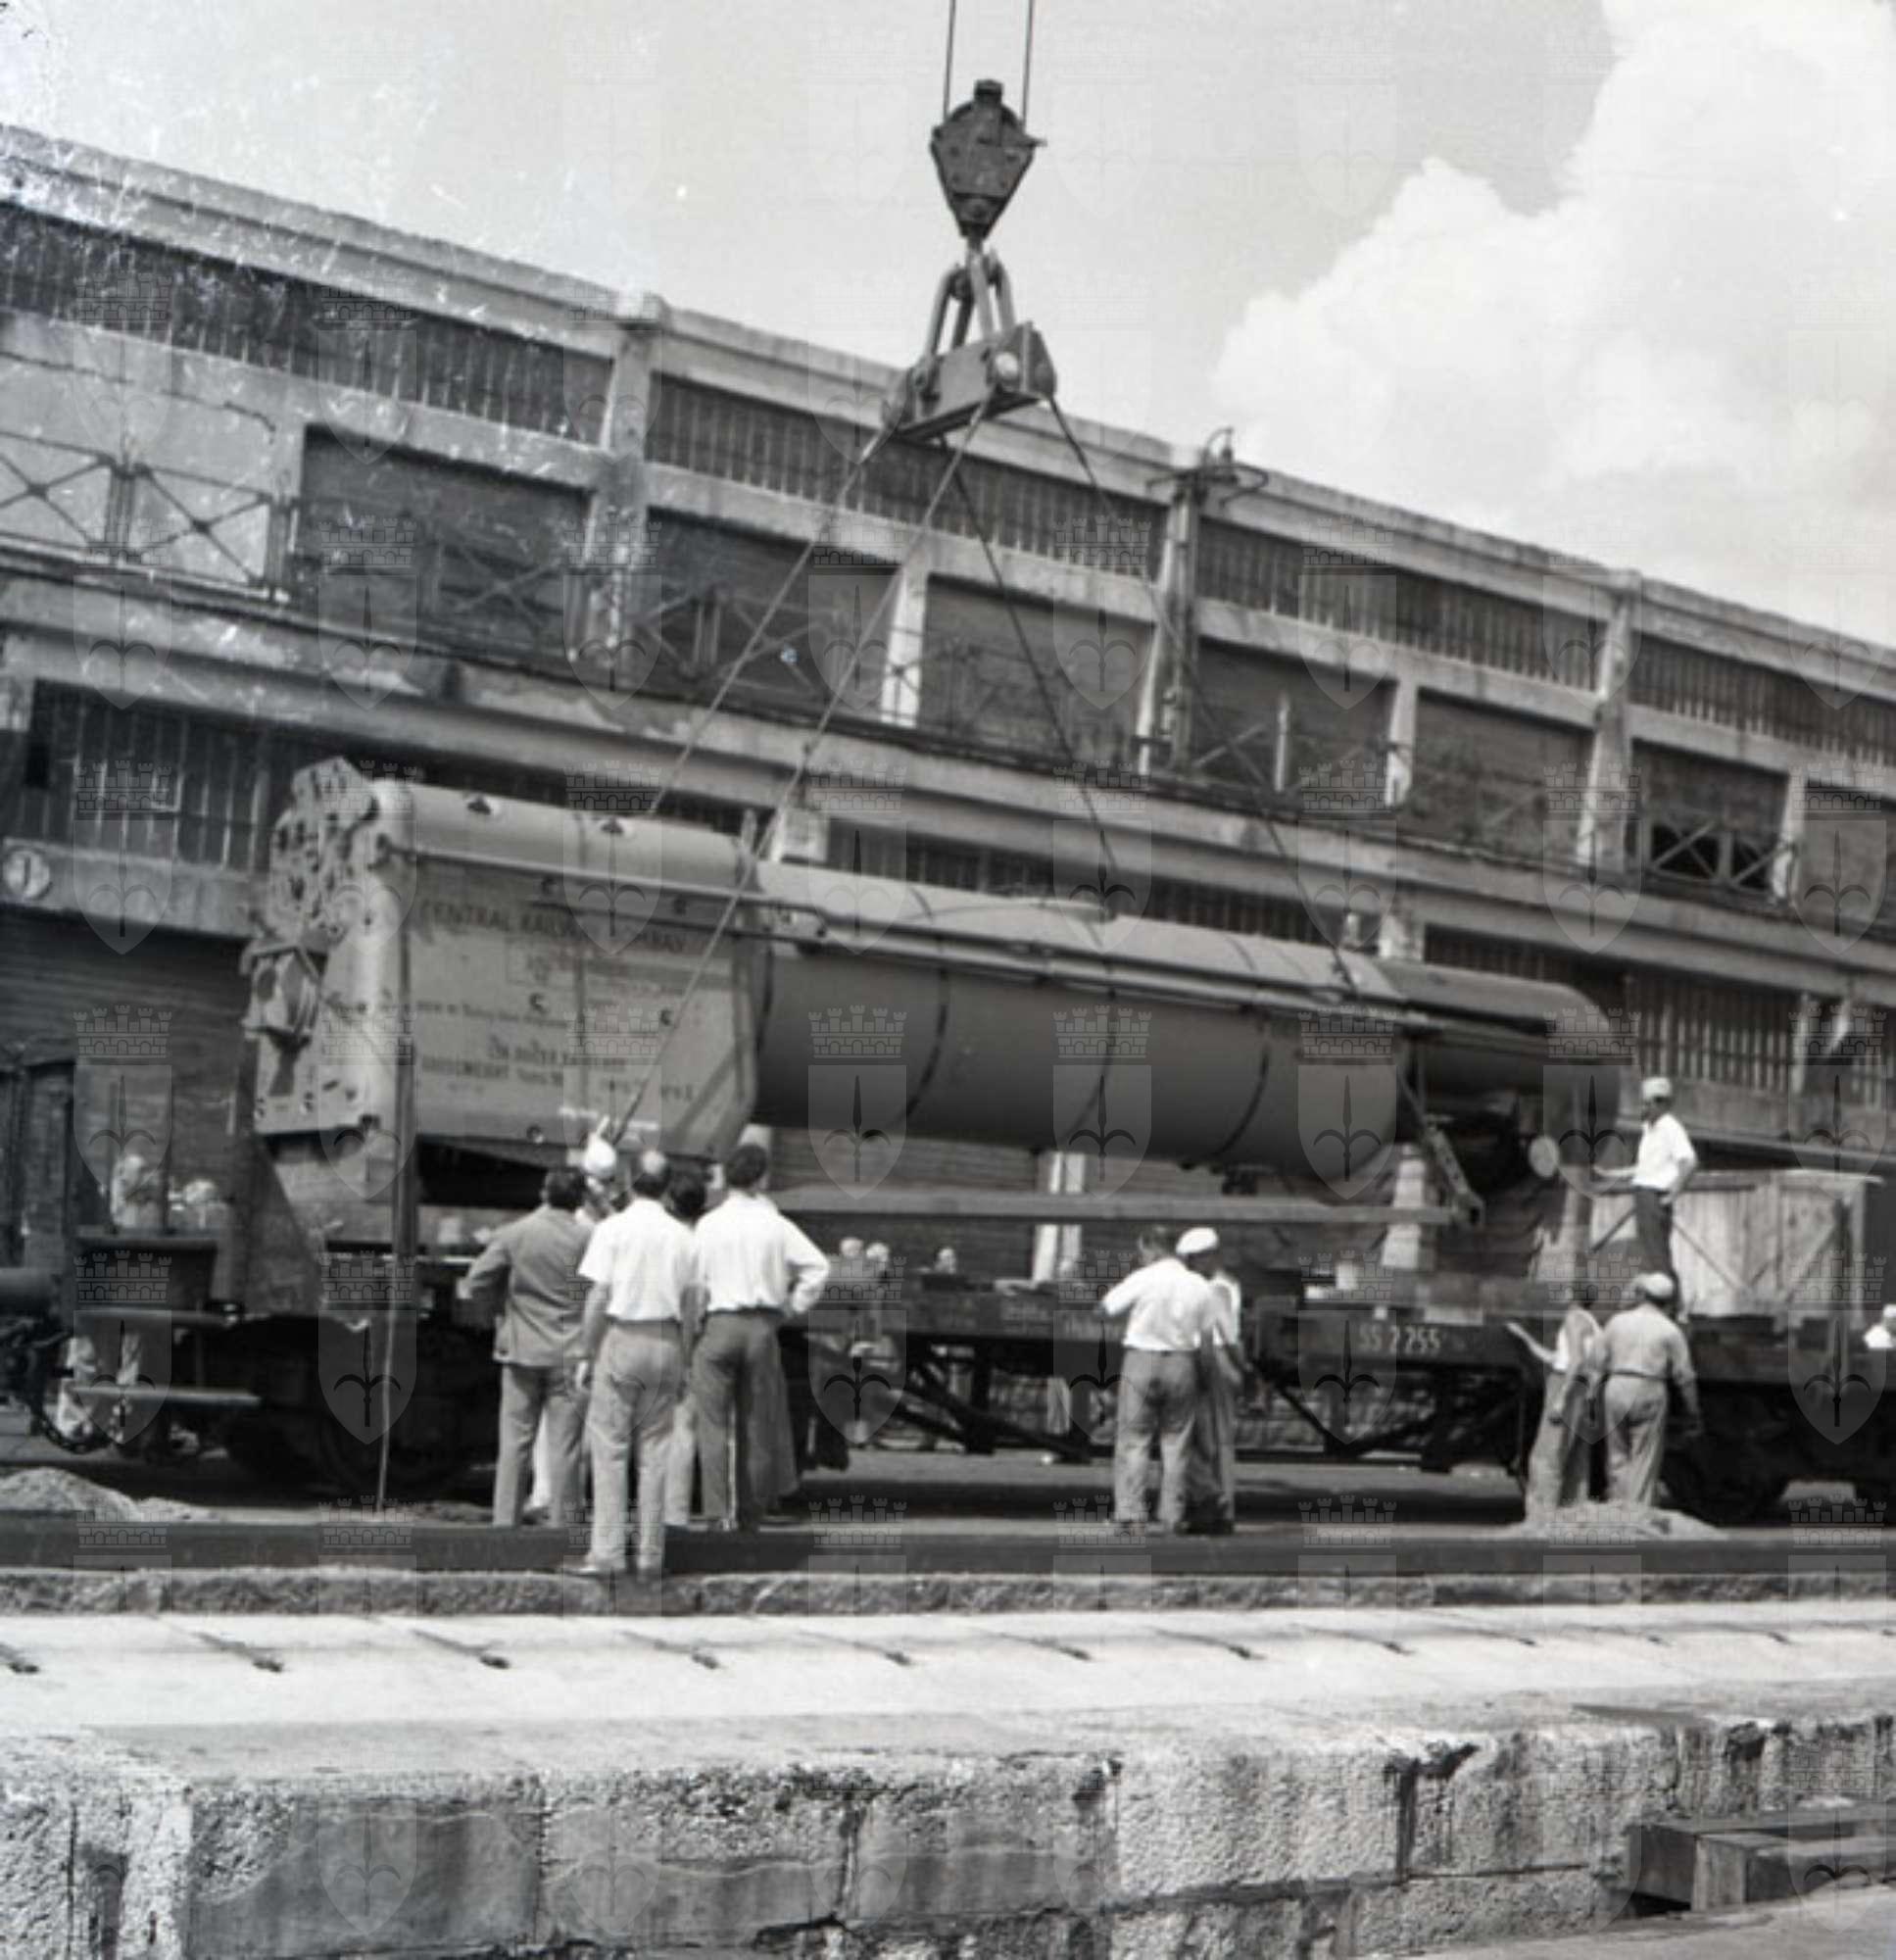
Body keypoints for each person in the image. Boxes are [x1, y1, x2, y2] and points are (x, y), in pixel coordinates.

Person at [564, 1149, 696, 1579]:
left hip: (623, 1336)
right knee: (655, 1451)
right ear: (668, 1185)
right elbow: (692, 1303)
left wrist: (586, 1352)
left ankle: (607, 1553)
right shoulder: (683, 1236)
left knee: (611, 1447)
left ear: (628, 1180)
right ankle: (650, 1555)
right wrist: (686, 1358)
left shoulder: (612, 1229)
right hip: (667, 1340)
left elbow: (598, 1297)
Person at [690, 1143, 830, 1531]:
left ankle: (717, 1512)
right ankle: (751, 1512)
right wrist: (791, 1306)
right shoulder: (775, 1224)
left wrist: (696, 1323)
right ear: (761, 1178)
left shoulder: (709, 1224)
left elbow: (695, 1282)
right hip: (762, 1327)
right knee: (757, 1422)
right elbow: (817, 1267)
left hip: (719, 1323)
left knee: (712, 1424)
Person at [462, 1168, 595, 1529]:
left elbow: (476, 1280)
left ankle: (505, 1525)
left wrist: (499, 1311)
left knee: (515, 1443)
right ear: (581, 1200)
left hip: (521, 1349)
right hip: (569, 1351)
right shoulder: (588, 1239)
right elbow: (597, 1290)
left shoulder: (516, 1234)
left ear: (543, 1193)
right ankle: (563, 1529)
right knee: (565, 1447)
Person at [1098, 1225, 1217, 1532]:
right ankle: (1172, 1516)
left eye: (1142, 1252)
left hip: (1141, 1359)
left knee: (1134, 1440)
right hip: (1182, 1363)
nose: (1141, 1258)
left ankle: (1130, 1514)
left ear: (1152, 1248)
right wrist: (1205, 1377)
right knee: (1176, 1443)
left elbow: (1106, 1308)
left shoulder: (1144, 1277)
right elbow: (1206, 1341)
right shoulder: (1200, 1285)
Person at [1595, 1270, 1702, 1508]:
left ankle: (1619, 1505)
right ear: (1668, 1301)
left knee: (1616, 1453)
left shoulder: (1617, 1322)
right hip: (1649, 1387)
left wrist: (1591, 1395)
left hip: (1617, 1384)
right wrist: (1693, 1411)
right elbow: (1685, 1376)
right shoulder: (1669, 1330)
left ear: (1643, 1295)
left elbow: (1598, 1362)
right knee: (1645, 1456)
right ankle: (1638, 1511)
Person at [1506, 1285, 1606, 1518]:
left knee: (1548, 1454)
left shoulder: (1574, 1319)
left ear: (1573, 1297)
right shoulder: (1591, 1323)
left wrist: (1561, 1398)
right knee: (1575, 1458)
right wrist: (1525, 1338)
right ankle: (1571, 1513)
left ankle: (1542, 1515)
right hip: (1581, 1387)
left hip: (1566, 1385)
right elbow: (1558, 1357)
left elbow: (1575, 1361)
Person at [1179, 1227, 1243, 1535]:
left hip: (1214, 1358)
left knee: (1215, 1440)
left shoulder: (1215, 1288)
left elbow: (1227, 1333)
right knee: (1210, 1439)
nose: (1190, 1266)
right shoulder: (1224, 1284)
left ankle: (1220, 1506)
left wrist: (1241, 1366)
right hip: (1214, 1358)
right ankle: (1210, 1503)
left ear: (1207, 1257)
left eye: (1193, 1260)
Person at [1600, 1078, 1697, 1280]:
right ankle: (1661, 1295)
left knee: (1656, 1257)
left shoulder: (1670, 1127)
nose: (1644, 1107)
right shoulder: (1649, 1129)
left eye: (1648, 1103)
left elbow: (1689, 1162)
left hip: (1654, 1196)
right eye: (1643, 1102)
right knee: (1648, 1255)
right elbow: (1645, 1168)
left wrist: (1673, 1193)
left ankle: (1667, 1297)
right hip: (1644, 1194)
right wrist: (1611, 1174)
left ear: (1662, 1104)